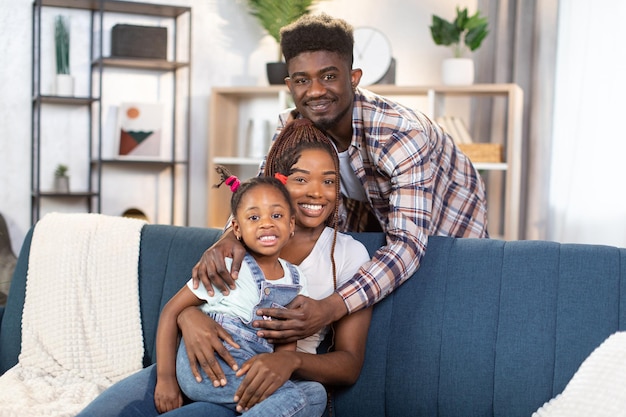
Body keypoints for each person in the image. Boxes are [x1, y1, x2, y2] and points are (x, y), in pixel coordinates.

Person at [191, 12, 489, 347]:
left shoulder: (401, 134)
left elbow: (407, 245)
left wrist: (330, 308)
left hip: (448, 211)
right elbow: (261, 193)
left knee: (428, 299)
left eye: (329, 76)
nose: (316, 91)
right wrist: (228, 238)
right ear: (289, 86)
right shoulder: (294, 125)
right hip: (362, 202)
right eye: (302, 80)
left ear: (354, 77)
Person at [76, 118, 372, 416]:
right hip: (190, 361)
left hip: (257, 382)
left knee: (310, 395)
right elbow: (190, 302)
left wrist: (289, 362)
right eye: (300, 179)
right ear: (279, 181)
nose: (316, 192)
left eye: (329, 181)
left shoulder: (346, 254)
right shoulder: (237, 243)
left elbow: (347, 363)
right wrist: (188, 318)